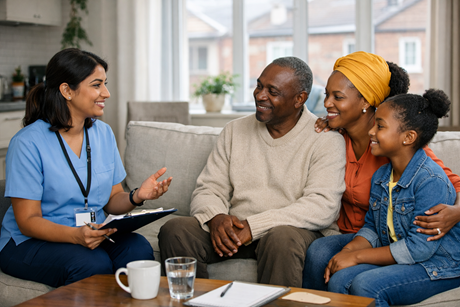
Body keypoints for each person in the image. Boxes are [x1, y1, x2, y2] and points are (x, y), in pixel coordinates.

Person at [158, 57, 346, 287]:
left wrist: (254, 227)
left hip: (289, 234)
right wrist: (216, 217)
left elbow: (322, 205)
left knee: (280, 238)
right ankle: (195, 302)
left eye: (272, 91)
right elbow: (209, 187)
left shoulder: (326, 140)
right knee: (176, 230)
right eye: (259, 86)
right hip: (237, 232)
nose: (259, 95)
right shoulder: (235, 130)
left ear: (300, 99)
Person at [0, 48, 172, 288]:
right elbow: (28, 220)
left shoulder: (103, 134)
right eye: (96, 85)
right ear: (67, 91)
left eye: (105, 84)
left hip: (91, 233)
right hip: (31, 242)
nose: (106, 93)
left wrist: (136, 197)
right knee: (92, 264)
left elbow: (112, 199)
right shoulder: (27, 143)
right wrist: (75, 236)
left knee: (137, 248)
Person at [303, 51, 460, 290]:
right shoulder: (332, 140)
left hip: (394, 241)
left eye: (337, 96)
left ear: (366, 102)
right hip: (362, 235)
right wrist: (350, 251)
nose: (326, 104)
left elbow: (450, 187)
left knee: (352, 276)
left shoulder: (402, 152)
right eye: (326, 95)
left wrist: (456, 211)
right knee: (319, 251)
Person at [325, 89, 460, 307]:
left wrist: (358, 257)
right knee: (340, 278)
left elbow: (419, 248)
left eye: (379, 126)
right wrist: (349, 250)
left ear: (408, 137)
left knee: (366, 285)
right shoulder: (381, 176)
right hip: (408, 255)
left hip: (439, 265)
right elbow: (372, 226)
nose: (370, 131)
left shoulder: (430, 181)